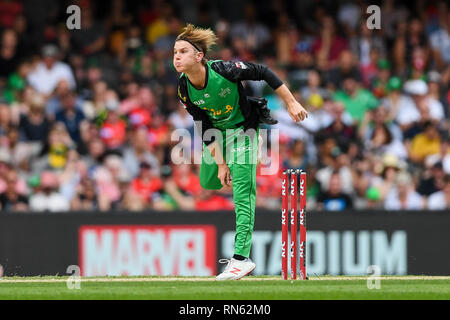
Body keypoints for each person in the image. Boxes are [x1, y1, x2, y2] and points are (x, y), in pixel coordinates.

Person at [173, 24, 308, 280]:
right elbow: (203, 124)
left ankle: (240, 259)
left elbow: (264, 71)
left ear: (199, 56)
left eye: (183, 51)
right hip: (217, 136)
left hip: (244, 131)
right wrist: (222, 164)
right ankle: (232, 170)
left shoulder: (224, 70)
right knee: (208, 181)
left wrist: (291, 102)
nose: (177, 57)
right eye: (175, 52)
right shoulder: (183, 87)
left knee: (242, 194)